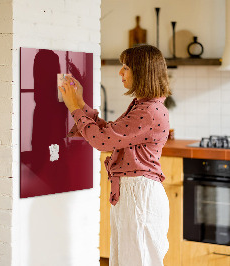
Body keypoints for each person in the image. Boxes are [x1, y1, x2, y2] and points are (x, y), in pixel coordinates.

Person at [58, 44, 171, 266]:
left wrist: (74, 108)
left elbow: (102, 141)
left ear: (142, 71)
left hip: (139, 195)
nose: (120, 72)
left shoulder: (148, 111)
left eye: (126, 67)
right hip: (133, 193)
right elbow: (110, 134)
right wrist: (80, 104)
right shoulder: (144, 106)